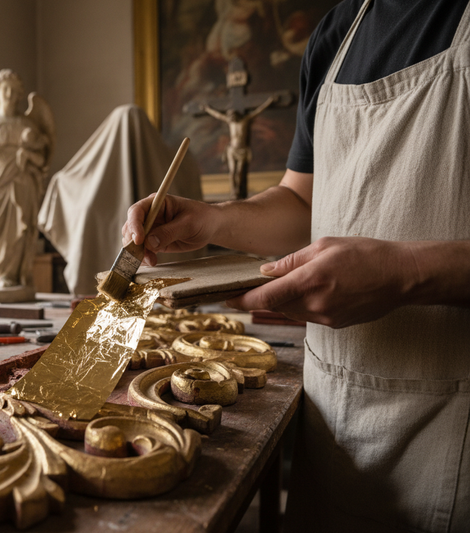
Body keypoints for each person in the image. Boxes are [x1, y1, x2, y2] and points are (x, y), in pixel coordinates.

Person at [122, 0, 470, 531]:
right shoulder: (336, 34)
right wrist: (211, 220)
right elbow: (304, 204)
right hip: (334, 418)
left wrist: (407, 272)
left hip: (453, 431)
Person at [0, 69, 53, 288]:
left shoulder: (26, 124)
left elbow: (43, 159)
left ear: (19, 95)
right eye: (4, 88)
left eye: (14, 90)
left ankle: (9, 275)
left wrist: (28, 155)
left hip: (21, 181)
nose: (9, 93)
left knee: (17, 229)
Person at [202, 95, 275, 199]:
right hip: (232, 149)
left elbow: (258, 111)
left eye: (232, 115)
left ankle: (239, 191)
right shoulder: (230, 122)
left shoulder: (244, 121)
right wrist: (207, 109)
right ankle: (234, 191)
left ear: (236, 115)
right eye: (230, 116)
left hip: (242, 150)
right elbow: (217, 115)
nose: (231, 117)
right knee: (232, 172)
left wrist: (268, 102)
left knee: (240, 172)